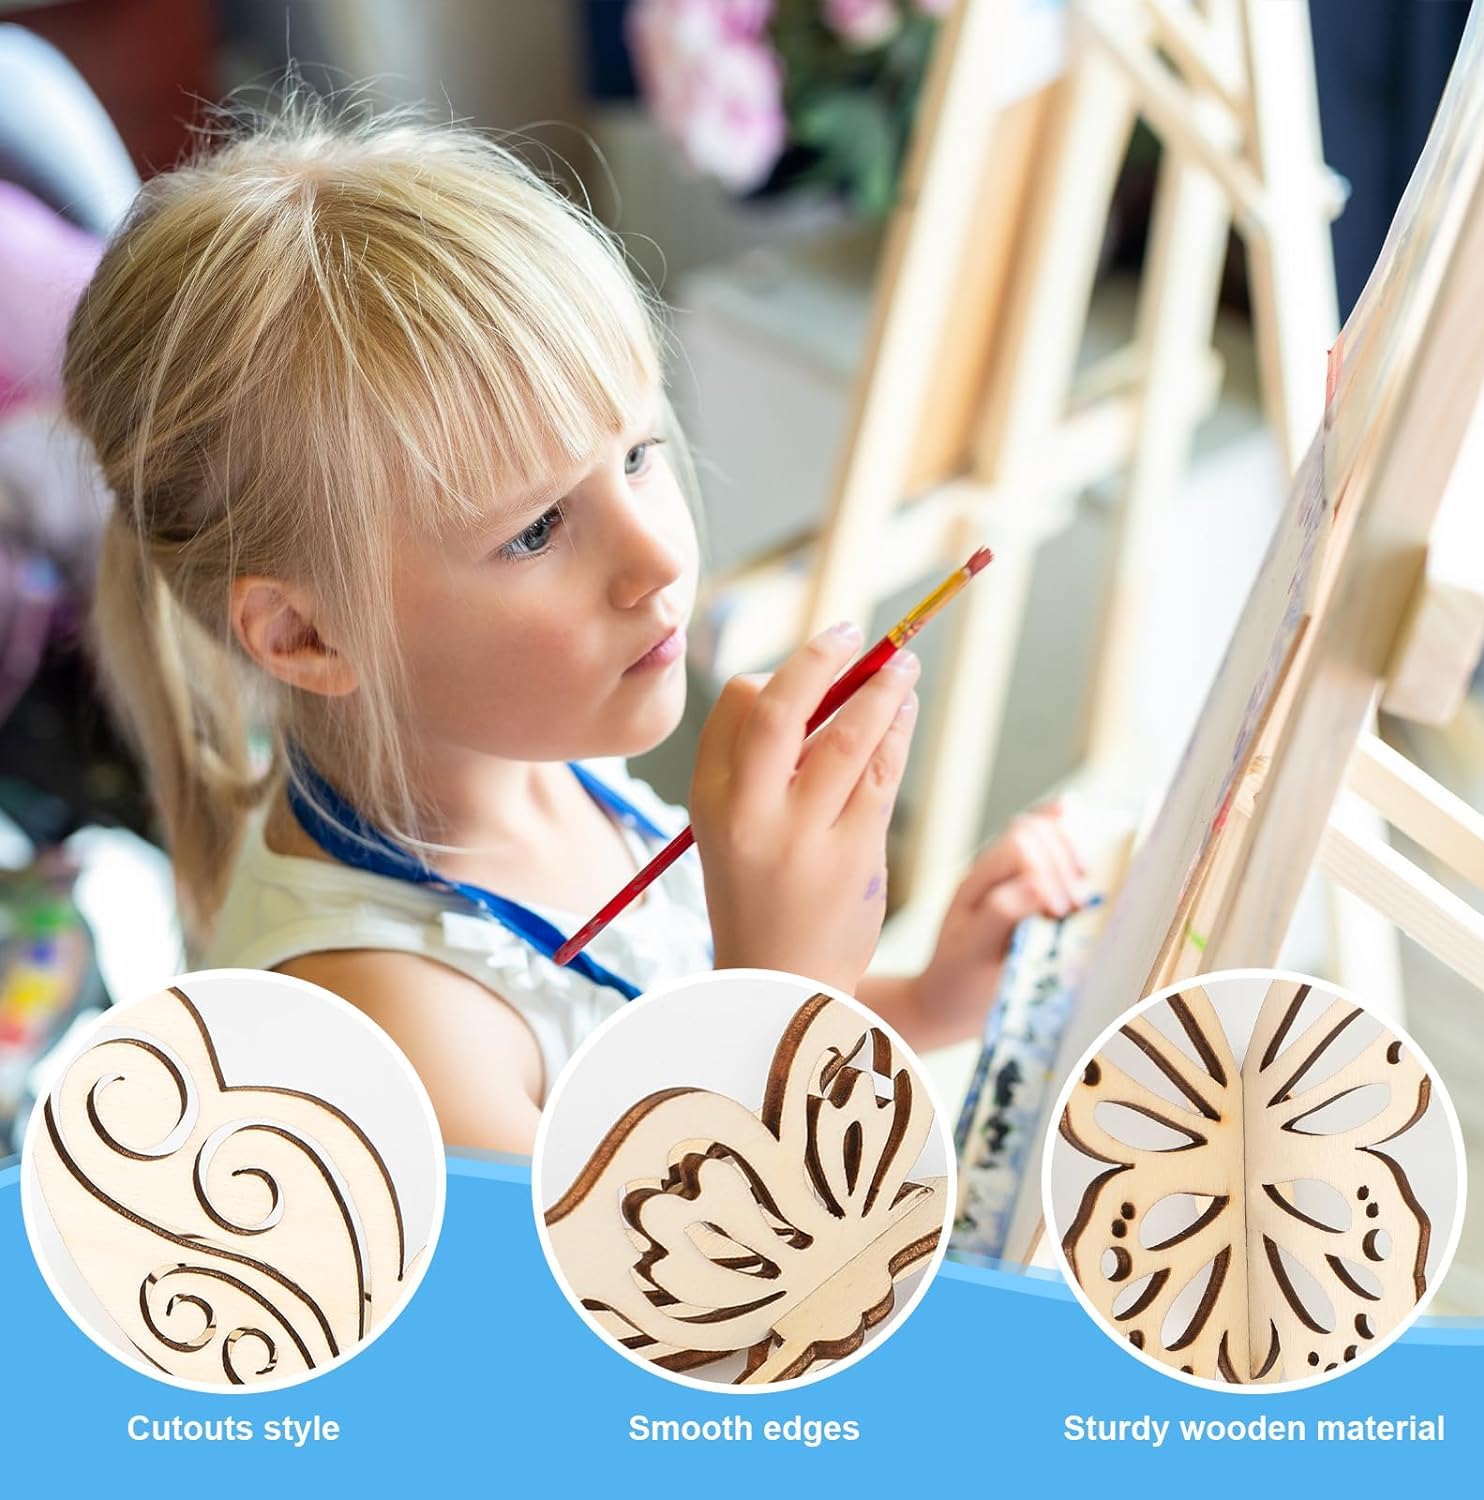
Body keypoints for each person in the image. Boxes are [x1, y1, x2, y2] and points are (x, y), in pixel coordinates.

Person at [63, 104, 1087, 1153]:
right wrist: (789, 985)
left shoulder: (530, 755)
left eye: (636, 455)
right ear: (305, 637)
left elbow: (672, 1034)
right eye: (537, 529)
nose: (658, 560)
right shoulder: (396, 1037)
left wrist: (926, 1001)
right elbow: (709, 1252)